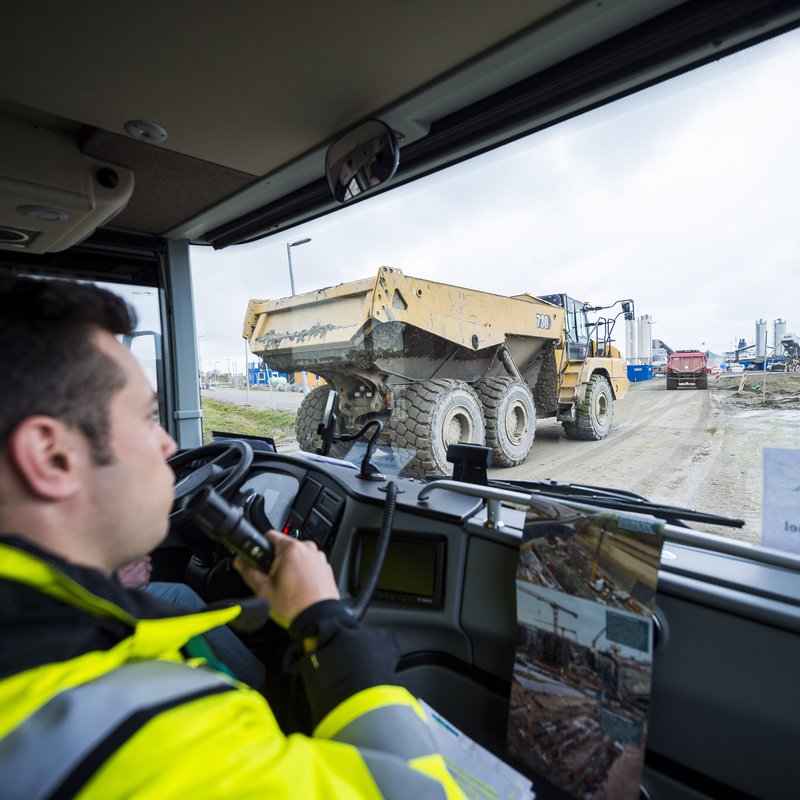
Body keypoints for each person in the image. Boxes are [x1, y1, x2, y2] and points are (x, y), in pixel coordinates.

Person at [0, 276, 465, 799]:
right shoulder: (174, 741)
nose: (168, 442)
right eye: (148, 417)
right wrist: (327, 625)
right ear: (51, 457)